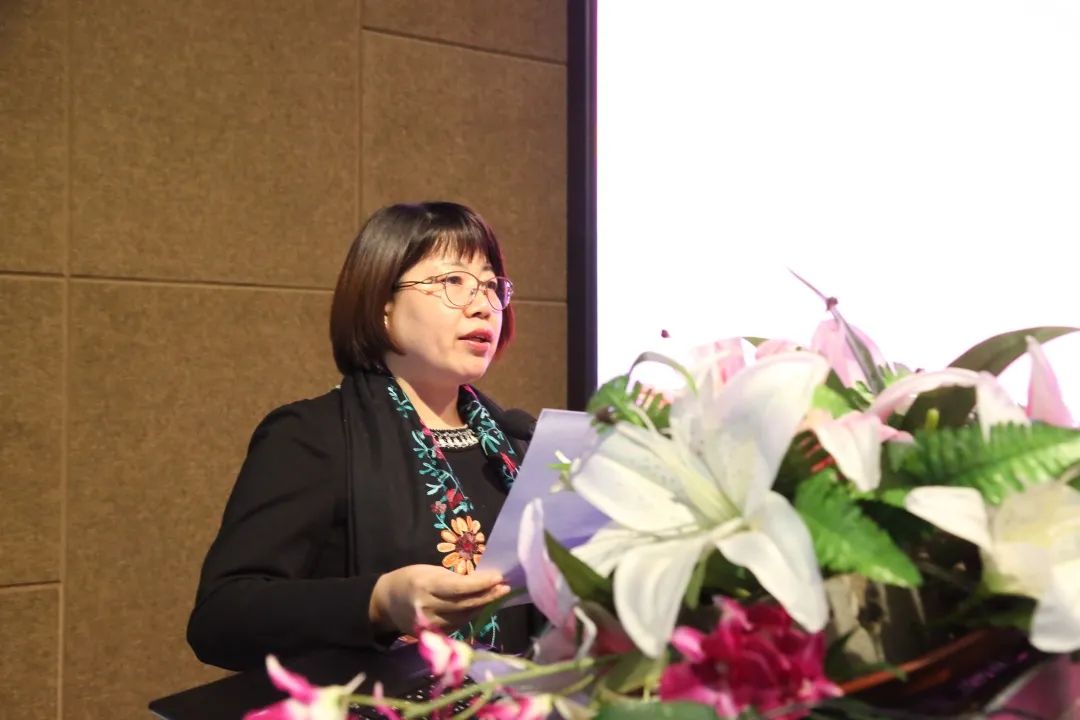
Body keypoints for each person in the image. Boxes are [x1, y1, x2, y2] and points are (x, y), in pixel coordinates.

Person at [187, 202, 536, 671]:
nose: (481, 305)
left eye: (491, 286)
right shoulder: (314, 437)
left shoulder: (517, 442)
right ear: (382, 304)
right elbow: (221, 617)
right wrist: (378, 602)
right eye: (453, 281)